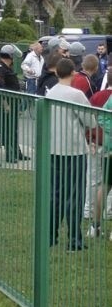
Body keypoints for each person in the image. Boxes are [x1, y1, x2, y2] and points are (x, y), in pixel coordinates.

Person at [46, 58, 96, 251]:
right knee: (74, 196)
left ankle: (51, 235)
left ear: (57, 73)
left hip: (53, 149)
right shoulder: (76, 95)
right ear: (74, 73)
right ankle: (74, 240)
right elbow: (90, 121)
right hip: (74, 150)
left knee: (55, 194)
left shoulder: (51, 92)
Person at [0, 44, 30, 163]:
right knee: (8, 129)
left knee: (13, 129)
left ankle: (16, 152)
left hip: (13, 102)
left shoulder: (7, 68)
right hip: (7, 104)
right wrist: (5, 104)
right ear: (10, 56)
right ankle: (10, 154)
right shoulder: (0, 68)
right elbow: (0, 86)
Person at [86, 69, 112, 235]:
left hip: (108, 148)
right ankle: (96, 226)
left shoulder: (109, 98)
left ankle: (95, 227)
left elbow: (102, 118)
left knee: (105, 186)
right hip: (110, 149)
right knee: (104, 186)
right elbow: (102, 118)